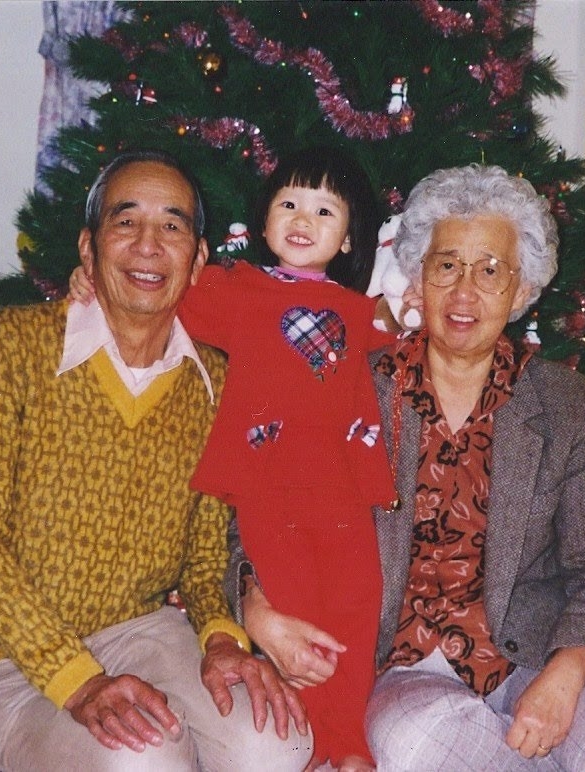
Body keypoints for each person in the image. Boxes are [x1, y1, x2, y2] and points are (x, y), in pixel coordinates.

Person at [235, 164, 585, 771]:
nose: (464, 293)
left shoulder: (562, 404)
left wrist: (565, 676)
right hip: (405, 668)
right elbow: (259, 509)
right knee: (419, 746)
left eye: (491, 271)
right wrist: (256, 600)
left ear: (521, 290)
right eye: (447, 265)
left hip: (536, 653)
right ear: (418, 277)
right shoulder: (347, 384)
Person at [0, 149, 312, 771]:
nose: (148, 243)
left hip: (139, 630)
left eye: (172, 225)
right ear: (89, 249)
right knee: (145, 759)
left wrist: (221, 639)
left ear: (197, 261)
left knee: (279, 744)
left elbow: (202, 556)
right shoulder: (7, 348)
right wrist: (78, 681)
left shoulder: (213, 382)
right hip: (4, 657)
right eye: (125, 220)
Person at [70, 146, 397, 771]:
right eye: (289, 205)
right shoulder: (234, 287)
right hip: (267, 485)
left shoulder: (361, 313)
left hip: (342, 489)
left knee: (357, 602)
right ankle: (311, 742)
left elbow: (417, 335)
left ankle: (346, 737)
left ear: (351, 236)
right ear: (266, 219)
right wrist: (88, 280)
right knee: (291, 608)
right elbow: (155, 296)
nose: (303, 220)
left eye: (324, 211)